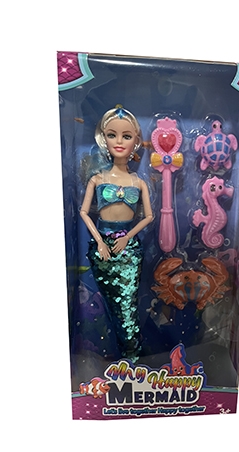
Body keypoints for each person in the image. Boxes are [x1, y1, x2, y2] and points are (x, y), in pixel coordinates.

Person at [79, 106, 153, 362]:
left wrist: (127, 238)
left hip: (128, 250)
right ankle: (123, 356)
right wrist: (100, 242)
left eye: (126, 136)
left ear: (136, 141)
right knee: (112, 305)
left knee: (128, 305)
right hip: (103, 251)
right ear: (104, 139)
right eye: (112, 135)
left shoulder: (138, 182)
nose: (119, 142)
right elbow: (84, 212)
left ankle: (132, 356)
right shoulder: (97, 179)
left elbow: (149, 216)